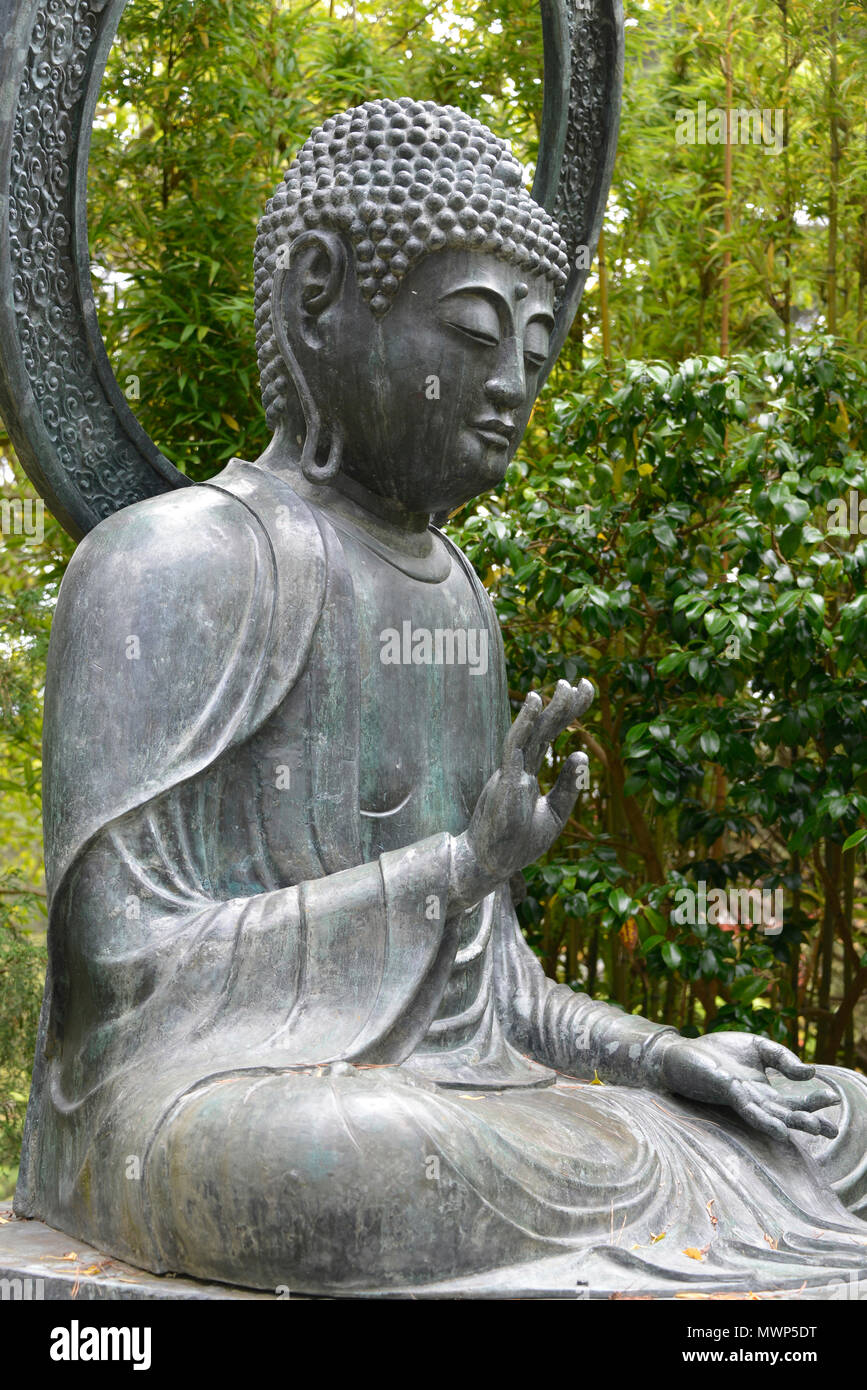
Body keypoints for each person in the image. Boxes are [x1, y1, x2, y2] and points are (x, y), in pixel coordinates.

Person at [17, 99, 867, 1298]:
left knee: (838, 1117)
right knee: (334, 1163)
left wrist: (665, 1052)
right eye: (474, 331)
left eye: (536, 341)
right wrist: (447, 870)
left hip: (455, 1102)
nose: (515, 380)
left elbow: (496, 991)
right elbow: (124, 981)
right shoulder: (170, 562)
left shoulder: (457, 595)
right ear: (320, 295)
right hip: (204, 1106)